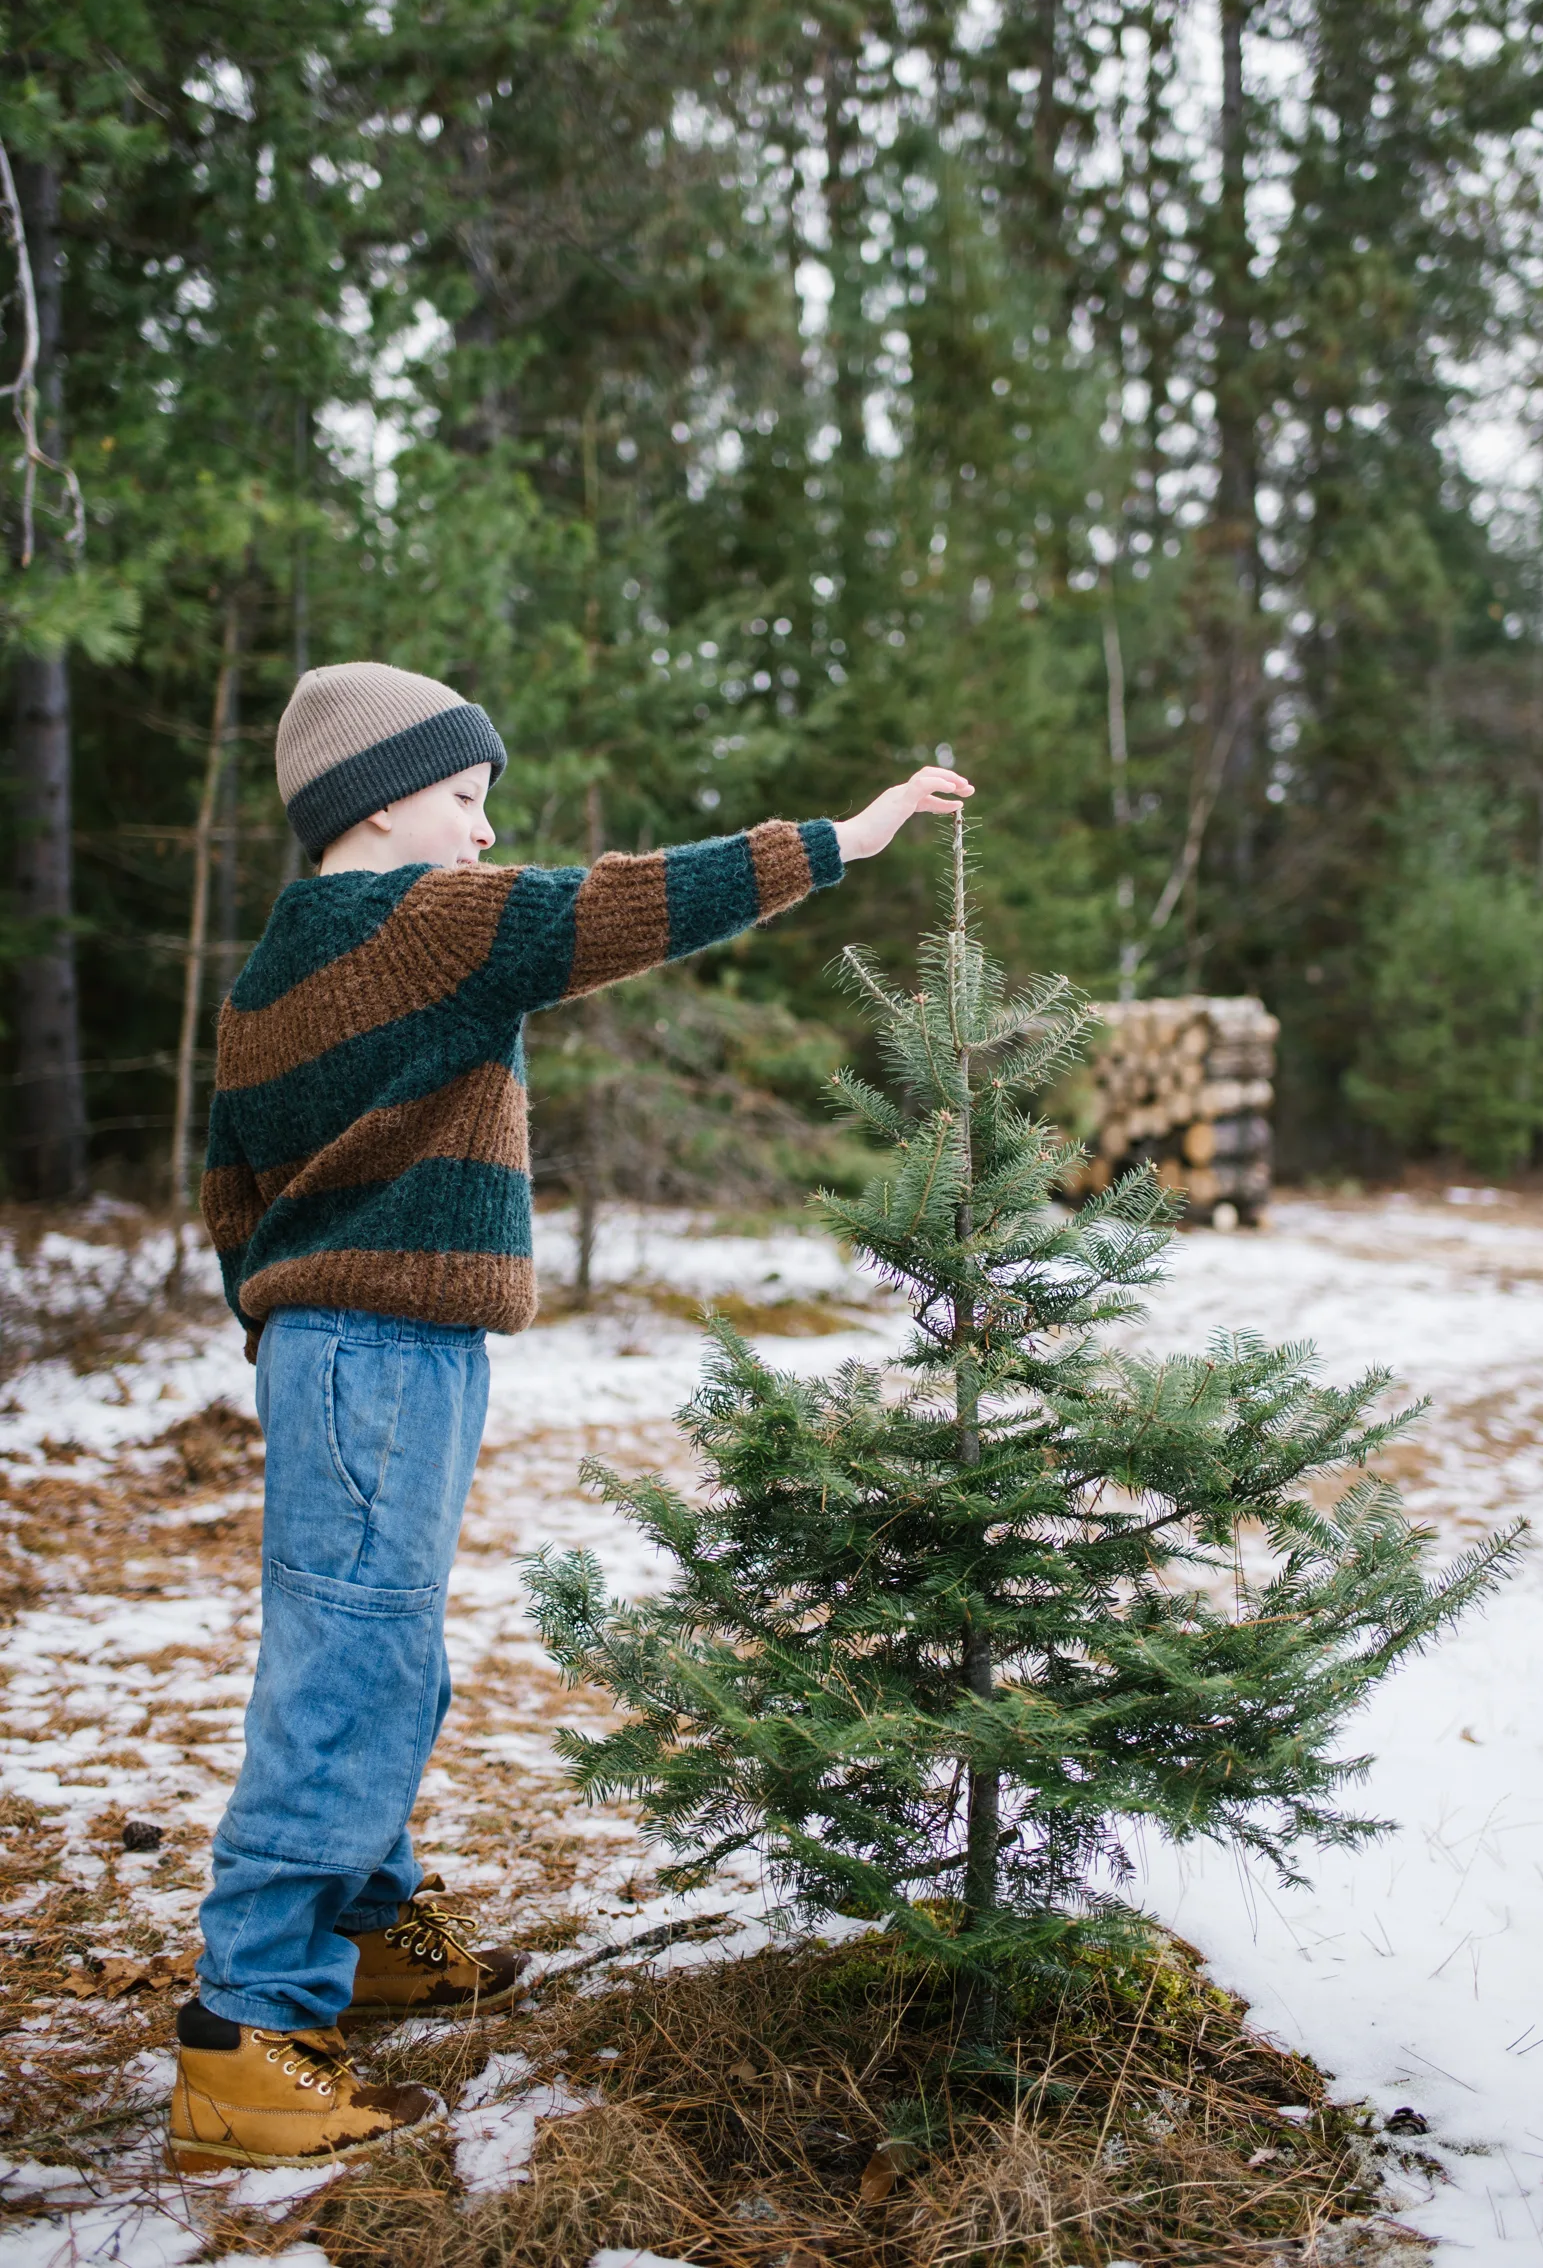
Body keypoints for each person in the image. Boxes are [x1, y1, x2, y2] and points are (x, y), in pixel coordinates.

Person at [167, 658, 973, 2172]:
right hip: (379, 1343)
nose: (481, 834)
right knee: (351, 1659)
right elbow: (626, 901)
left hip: (334, 1344)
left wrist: (271, 1322)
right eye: (464, 800)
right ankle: (246, 2025)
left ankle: (372, 1917)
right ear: (378, 800)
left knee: (382, 1647)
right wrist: (844, 840)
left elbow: (230, 1185)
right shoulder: (441, 923)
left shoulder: (274, 962)